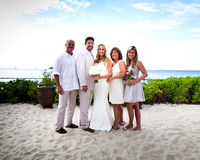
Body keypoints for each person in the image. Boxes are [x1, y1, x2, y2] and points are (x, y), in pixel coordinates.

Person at [53, 39, 79, 134]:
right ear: (65, 45)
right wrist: (58, 86)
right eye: (69, 44)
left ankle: (69, 123)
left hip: (74, 86)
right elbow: (56, 73)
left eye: (73, 44)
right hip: (64, 86)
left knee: (72, 106)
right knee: (62, 106)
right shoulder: (60, 57)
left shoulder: (75, 58)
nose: (71, 46)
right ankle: (58, 126)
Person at [90, 44, 114, 131]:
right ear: (97, 50)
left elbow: (110, 73)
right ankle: (96, 120)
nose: (101, 51)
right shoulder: (95, 60)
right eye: (99, 49)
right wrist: (94, 75)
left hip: (104, 82)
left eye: (102, 49)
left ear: (105, 51)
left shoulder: (108, 60)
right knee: (96, 100)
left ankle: (105, 121)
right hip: (96, 83)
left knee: (103, 99)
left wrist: (100, 77)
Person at [123, 46, 147, 131]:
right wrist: (126, 80)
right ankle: (138, 126)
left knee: (129, 105)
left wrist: (135, 80)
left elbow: (145, 74)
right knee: (136, 106)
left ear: (135, 54)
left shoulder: (138, 63)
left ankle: (130, 123)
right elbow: (124, 76)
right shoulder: (127, 64)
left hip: (136, 86)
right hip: (129, 86)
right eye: (130, 52)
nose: (131, 54)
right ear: (127, 53)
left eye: (133, 52)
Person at [76, 37, 95, 133]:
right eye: (89, 43)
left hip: (91, 84)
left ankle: (82, 121)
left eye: (92, 43)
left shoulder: (92, 56)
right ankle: (85, 125)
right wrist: (83, 84)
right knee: (84, 106)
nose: (90, 45)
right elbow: (80, 70)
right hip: (85, 85)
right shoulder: (82, 55)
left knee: (87, 105)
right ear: (85, 44)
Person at [107, 47, 126, 130]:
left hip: (118, 85)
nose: (114, 54)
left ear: (119, 54)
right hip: (113, 86)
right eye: (112, 53)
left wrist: (113, 77)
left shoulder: (121, 62)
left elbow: (123, 73)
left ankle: (116, 123)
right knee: (118, 105)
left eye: (115, 52)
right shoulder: (112, 63)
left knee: (116, 105)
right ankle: (121, 120)